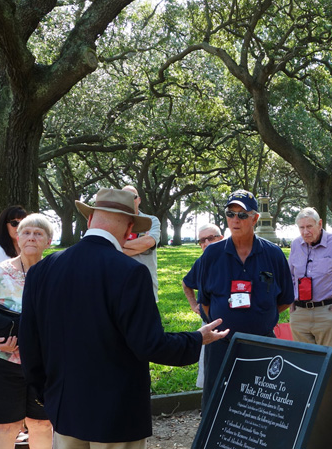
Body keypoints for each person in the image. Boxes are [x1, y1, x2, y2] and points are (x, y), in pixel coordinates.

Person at [19, 188, 227, 448]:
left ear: (89, 220)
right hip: (115, 416)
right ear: (130, 229)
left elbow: (28, 340)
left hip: (64, 408)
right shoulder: (130, 272)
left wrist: (44, 391)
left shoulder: (42, 271)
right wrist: (197, 338)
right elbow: (149, 344)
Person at [192, 189, 294, 409]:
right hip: (221, 345)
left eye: (242, 215)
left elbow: (285, 299)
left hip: (263, 345)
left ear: (255, 218)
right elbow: (205, 301)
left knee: (261, 408)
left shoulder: (274, 254)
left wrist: (260, 317)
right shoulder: (211, 254)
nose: (235, 220)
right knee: (218, 406)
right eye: (230, 214)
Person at [0, 214, 55, 449]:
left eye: (38, 234)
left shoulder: (56, 273)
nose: (31, 238)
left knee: (42, 425)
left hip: (43, 364)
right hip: (2, 363)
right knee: (6, 427)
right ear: (17, 238)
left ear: (49, 241)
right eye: (26, 233)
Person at [288, 207, 332, 350]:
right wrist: (291, 302)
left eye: (309, 226)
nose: (305, 232)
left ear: (319, 224)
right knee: (304, 362)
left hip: (328, 311)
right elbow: (290, 277)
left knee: (330, 362)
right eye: (301, 227)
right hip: (300, 313)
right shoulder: (295, 244)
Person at [181, 223, 225, 388]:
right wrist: (194, 305)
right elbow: (186, 283)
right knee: (210, 372)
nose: (205, 243)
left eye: (210, 238)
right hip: (210, 324)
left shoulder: (235, 258)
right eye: (201, 241)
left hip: (237, 324)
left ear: (221, 239)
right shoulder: (201, 262)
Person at [122, 185, 160, 301]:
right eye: (124, 196)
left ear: (139, 200)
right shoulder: (114, 223)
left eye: (133, 196)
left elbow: (149, 242)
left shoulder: (151, 221)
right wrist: (139, 245)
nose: (129, 199)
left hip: (145, 283)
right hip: (119, 282)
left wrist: (116, 245)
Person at [0, 205, 27, 277]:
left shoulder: (28, 250)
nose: (19, 227)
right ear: (4, 226)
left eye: (24, 223)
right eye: (14, 223)